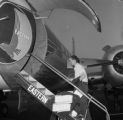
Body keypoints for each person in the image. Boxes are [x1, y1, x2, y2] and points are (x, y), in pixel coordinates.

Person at [68, 55, 91, 120]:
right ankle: (83, 116)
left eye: (70, 60)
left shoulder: (78, 66)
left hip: (81, 85)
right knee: (81, 102)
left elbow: (83, 75)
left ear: (74, 60)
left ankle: (76, 114)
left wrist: (75, 81)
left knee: (80, 101)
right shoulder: (77, 67)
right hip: (82, 85)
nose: (70, 62)